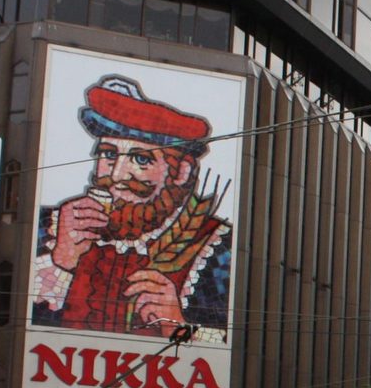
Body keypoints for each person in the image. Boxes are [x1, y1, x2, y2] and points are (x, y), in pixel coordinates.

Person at [31, 75, 233, 342]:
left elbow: (238, 348)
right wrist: (60, 263)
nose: (117, 175)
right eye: (109, 154)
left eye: (141, 159)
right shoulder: (49, 226)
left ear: (181, 172)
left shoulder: (218, 248)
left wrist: (179, 326)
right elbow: (12, 323)